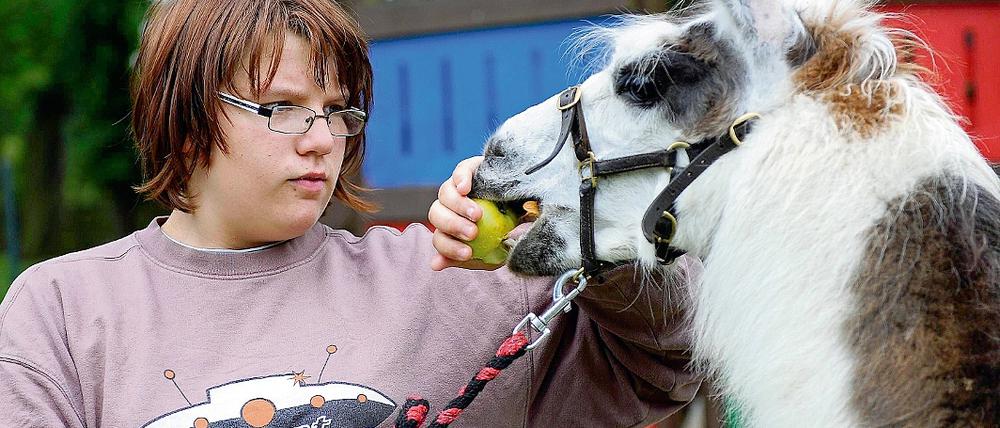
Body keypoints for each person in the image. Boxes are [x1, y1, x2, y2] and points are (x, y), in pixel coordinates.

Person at [0, 0, 701, 426]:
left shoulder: (445, 277)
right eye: (282, 108)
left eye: (338, 111)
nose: (323, 139)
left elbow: (670, 362)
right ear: (183, 119)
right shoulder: (65, 307)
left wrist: (563, 233)